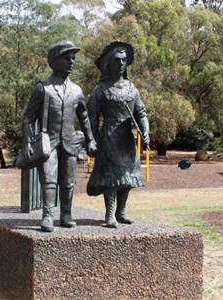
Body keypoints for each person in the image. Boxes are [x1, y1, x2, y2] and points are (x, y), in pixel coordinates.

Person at [22, 40, 97, 232]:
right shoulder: (43, 88)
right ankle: (48, 216)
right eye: (66, 58)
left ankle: (66, 214)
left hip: (70, 141)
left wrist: (90, 139)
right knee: (48, 179)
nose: (71, 61)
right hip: (50, 142)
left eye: (73, 58)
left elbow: (84, 117)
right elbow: (28, 117)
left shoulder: (77, 90)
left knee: (69, 181)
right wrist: (28, 142)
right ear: (54, 61)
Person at [87, 41, 150, 228]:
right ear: (109, 63)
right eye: (117, 60)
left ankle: (121, 212)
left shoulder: (132, 88)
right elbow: (91, 117)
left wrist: (145, 131)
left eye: (124, 60)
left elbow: (141, 113)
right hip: (108, 138)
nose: (121, 63)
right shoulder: (101, 89)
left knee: (128, 178)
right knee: (113, 178)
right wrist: (91, 140)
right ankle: (109, 215)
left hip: (126, 139)